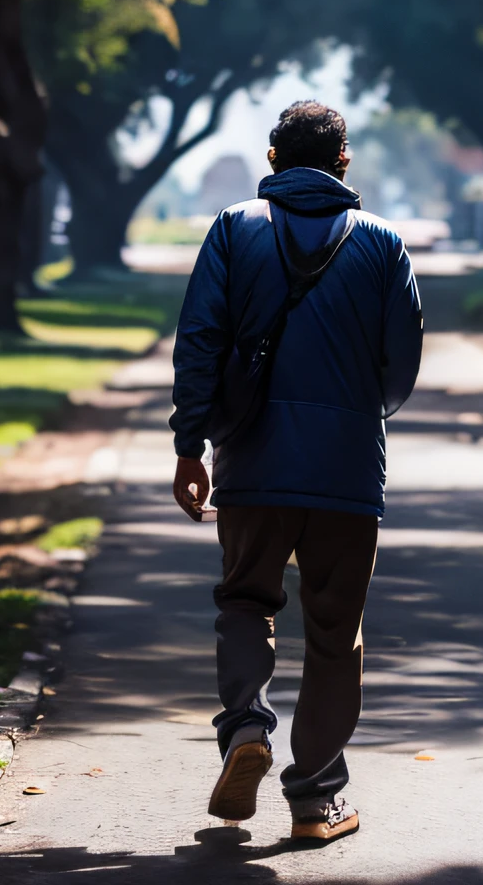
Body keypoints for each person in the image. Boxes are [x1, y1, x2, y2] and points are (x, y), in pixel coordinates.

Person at [168, 100, 423, 843]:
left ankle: (246, 726)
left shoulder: (232, 228)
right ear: (344, 163)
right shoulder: (383, 244)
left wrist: (191, 444)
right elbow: (400, 365)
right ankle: (315, 799)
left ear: (275, 160)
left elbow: (200, 342)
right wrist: (359, 411)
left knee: (246, 601)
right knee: (335, 632)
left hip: (251, 459)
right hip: (348, 471)